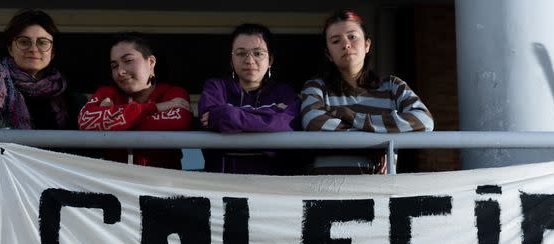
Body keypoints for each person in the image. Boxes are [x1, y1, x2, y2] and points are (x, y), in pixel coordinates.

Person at [0, 9, 85, 197]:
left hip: (57, 189)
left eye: (43, 42)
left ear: (52, 52)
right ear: (11, 48)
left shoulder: (66, 90)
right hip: (6, 188)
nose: (33, 49)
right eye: (24, 41)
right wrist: (23, 143)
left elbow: (85, 130)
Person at [300, 9, 434, 174]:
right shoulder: (316, 87)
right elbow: (313, 122)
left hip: (379, 191)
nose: (346, 44)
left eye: (352, 37)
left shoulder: (392, 86)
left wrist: (348, 115)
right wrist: (377, 143)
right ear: (328, 54)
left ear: (367, 45)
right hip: (326, 188)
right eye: (336, 41)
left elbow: (424, 120)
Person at [78, 32, 192, 169]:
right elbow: (85, 121)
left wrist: (110, 120)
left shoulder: (174, 93)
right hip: (113, 185)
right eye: (114, 66)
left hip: (163, 186)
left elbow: (178, 124)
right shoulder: (106, 93)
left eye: (128, 61)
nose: (120, 71)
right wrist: (153, 109)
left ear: (151, 62)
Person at [197, 23, 299, 174]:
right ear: (231, 61)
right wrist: (271, 114)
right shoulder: (216, 87)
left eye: (258, 53)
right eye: (240, 53)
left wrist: (229, 114)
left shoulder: (284, 92)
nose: (249, 60)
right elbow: (208, 121)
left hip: (273, 185)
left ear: (270, 60)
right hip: (221, 183)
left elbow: (286, 123)